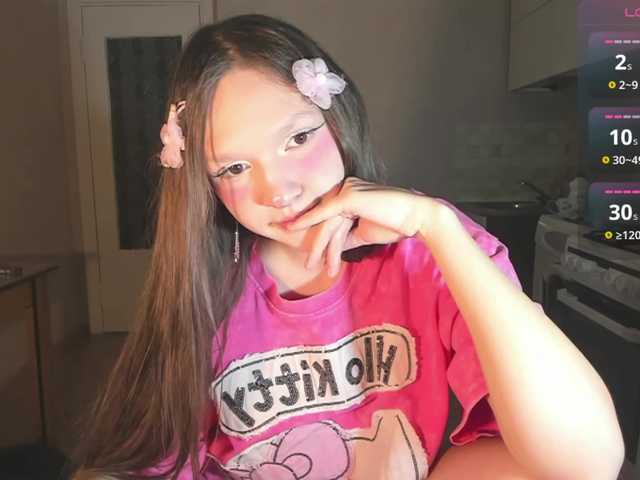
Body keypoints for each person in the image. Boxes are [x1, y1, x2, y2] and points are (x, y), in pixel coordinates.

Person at [70, 13, 624, 480]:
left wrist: (436, 225)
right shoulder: (205, 290)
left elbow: (586, 461)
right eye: (234, 168)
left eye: (297, 138)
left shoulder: (430, 250)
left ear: (337, 121)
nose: (277, 189)